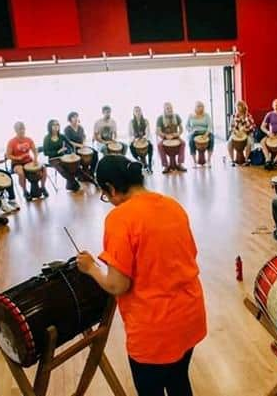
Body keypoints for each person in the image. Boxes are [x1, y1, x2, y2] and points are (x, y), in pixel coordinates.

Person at [76, 155, 207, 396]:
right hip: (190, 315)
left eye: (105, 195)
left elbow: (117, 285)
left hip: (154, 328)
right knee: (179, 381)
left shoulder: (120, 218)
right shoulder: (172, 205)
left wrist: (91, 268)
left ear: (111, 189)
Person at [6, 121, 48, 201]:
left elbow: (35, 151)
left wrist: (35, 159)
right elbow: (8, 155)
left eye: (23, 129)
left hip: (29, 161)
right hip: (17, 163)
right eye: (19, 129)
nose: (22, 131)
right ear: (15, 130)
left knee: (44, 168)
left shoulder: (29, 139)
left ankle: (43, 187)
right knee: (21, 173)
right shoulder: (11, 142)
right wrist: (18, 158)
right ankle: (25, 191)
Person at [42, 119, 81, 192]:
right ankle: (75, 184)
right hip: (53, 159)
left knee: (73, 166)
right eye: (54, 125)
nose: (56, 126)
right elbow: (45, 153)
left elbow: (70, 145)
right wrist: (58, 152)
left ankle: (70, 185)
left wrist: (72, 152)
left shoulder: (61, 136)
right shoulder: (47, 138)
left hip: (63, 157)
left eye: (57, 124)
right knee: (63, 171)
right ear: (50, 126)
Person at [156, 102, 187, 173]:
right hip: (165, 137)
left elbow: (181, 129)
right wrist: (165, 135)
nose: (169, 110)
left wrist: (177, 134)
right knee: (159, 145)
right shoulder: (160, 118)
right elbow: (158, 131)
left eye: (170, 108)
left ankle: (180, 164)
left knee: (183, 143)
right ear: (164, 109)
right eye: (167, 108)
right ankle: (165, 165)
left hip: (175, 137)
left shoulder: (177, 116)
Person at [186, 101, 215, 168]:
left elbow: (210, 126)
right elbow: (187, 126)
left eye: (201, 106)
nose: (200, 108)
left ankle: (209, 160)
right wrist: (191, 131)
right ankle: (194, 162)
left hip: (205, 132)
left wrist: (206, 134)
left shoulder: (206, 115)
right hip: (194, 133)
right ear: (195, 107)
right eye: (198, 106)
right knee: (191, 141)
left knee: (212, 138)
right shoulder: (191, 115)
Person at [227, 100, 255, 167]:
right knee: (229, 143)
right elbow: (230, 127)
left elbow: (253, 126)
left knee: (249, 143)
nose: (238, 108)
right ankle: (232, 160)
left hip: (247, 134)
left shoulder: (248, 116)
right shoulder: (233, 116)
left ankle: (246, 160)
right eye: (236, 106)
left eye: (239, 106)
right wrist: (235, 131)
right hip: (236, 134)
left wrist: (246, 130)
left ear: (243, 107)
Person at [128, 106, 153, 173]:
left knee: (150, 146)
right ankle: (143, 163)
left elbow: (148, 132)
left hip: (144, 139)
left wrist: (144, 138)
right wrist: (135, 139)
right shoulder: (131, 122)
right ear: (133, 113)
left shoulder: (145, 121)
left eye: (139, 110)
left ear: (141, 112)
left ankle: (150, 164)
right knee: (131, 147)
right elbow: (130, 134)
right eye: (136, 111)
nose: (138, 112)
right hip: (135, 140)